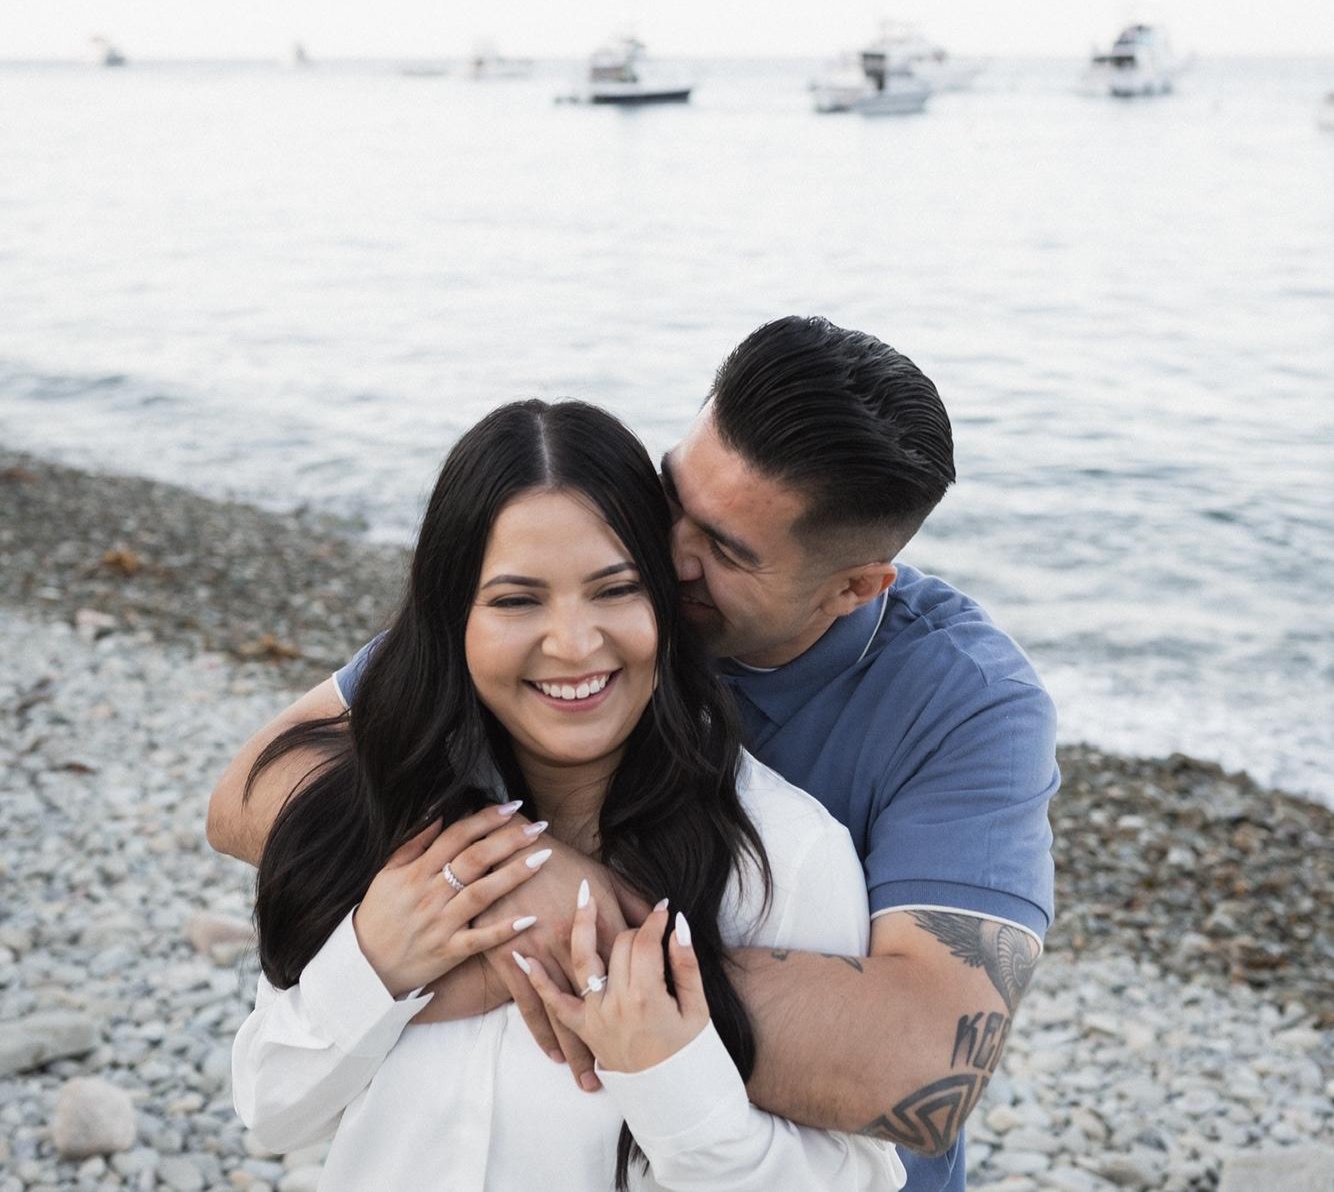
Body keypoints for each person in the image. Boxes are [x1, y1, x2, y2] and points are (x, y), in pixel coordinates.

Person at [211, 317, 1058, 1191]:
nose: (669, 551)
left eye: (725, 549)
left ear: (852, 588)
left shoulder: (958, 709)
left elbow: (921, 1072)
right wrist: (504, 876)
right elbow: (252, 793)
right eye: (675, 493)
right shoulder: (568, 596)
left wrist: (569, 932)